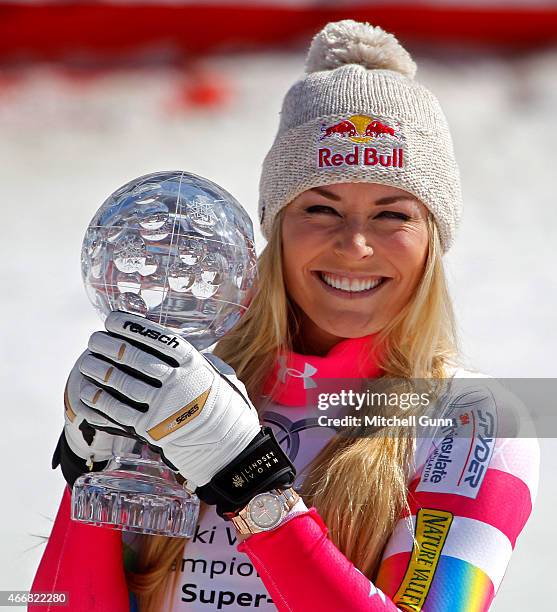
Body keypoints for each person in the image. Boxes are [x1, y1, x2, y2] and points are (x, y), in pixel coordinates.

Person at [31, 20, 539, 612]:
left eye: (392, 214)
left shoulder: (480, 422)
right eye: (320, 208)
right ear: (275, 229)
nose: (355, 246)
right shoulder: (182, 392)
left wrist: (249, 480)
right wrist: (90, 472)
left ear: (433, 239)